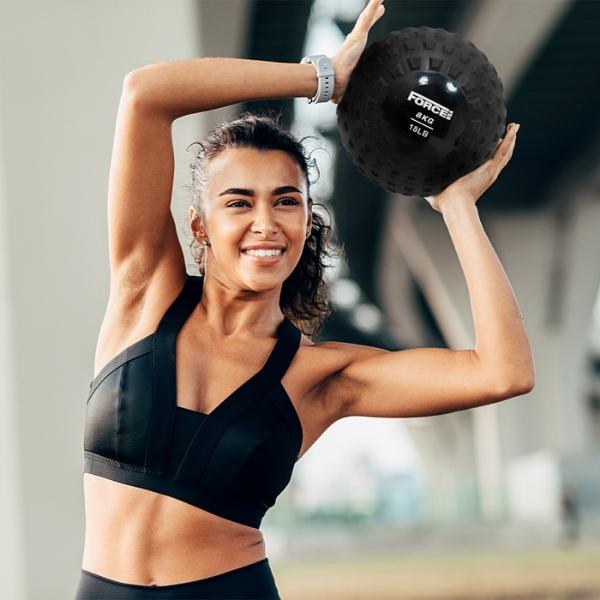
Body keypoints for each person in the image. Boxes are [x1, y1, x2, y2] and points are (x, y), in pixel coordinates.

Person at [75, 0, 534, 597]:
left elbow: (503, 372)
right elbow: (145, 95)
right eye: (239, 202)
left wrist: (455, 207)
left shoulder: (321, 376)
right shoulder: (143, 293)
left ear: (307, 220)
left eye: (286, 201)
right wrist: (321, 78)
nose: (266, 222)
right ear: (198, 227)